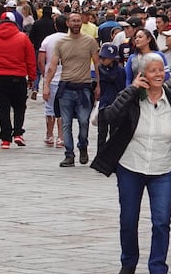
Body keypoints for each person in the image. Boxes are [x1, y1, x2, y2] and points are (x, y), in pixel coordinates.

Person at [91, 53, 171, 274]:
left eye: (161, 70)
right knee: (128, 219)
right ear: (141, 74)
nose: (158, 74)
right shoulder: (130, 98)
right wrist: (130, 91)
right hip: (131, 166)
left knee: (162, 221)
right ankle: (128, 263)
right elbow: (107, 118)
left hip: (163, 167)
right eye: (152, 70)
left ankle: (158, 270)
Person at [43, 12, 100, 167]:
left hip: (84, 88)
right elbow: (53, 66)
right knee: (66, 123)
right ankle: (69, 154)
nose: (76, 23)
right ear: (67, 23)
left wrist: (99, 85)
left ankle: (83, 146)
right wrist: (46, 85)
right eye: (73, 21)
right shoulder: (60, 43)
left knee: (83, 121)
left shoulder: (89, 42)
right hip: (66, 87)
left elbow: (97, 64)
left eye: (78, 21)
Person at [0, 13, 36, 148]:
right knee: (19, 107)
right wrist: (32, 78)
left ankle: (5, 138)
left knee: (2, 108)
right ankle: (18, 133)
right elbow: (30, 59)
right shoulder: (23, 38)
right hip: (18, 77)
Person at [38, 15, 67, 148]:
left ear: (55, 26)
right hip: (66, 79)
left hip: (52, 78)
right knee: (62, 109)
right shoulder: (71, 40)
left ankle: (49, 135)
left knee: (49, 109)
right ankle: (61, 137)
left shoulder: (48, 40)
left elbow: (40, 60)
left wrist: (45, 75)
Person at [95, 43, 126, 155]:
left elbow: (121, 86)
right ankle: (100, 156)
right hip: (104, 103)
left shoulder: (120, 71)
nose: (102, 60)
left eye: (105, 57)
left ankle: (112, 157)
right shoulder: (99, 69)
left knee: (114, 133)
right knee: (101, 133)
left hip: (116, 104)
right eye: (101, 57)